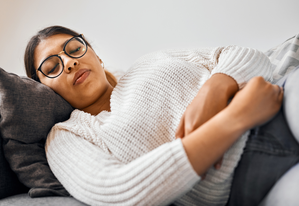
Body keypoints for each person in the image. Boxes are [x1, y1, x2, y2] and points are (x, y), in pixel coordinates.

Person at [24, 25, 283, 206]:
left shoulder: (147, 62)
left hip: (282, 93)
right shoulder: (66, 136)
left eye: (73, 48)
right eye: (52, 67)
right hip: (248, 161)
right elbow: (120, 191)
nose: (69, 63)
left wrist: (214, 90)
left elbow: (243, 55)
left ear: (94, 53)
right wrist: (236, 118)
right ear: (41, 87)